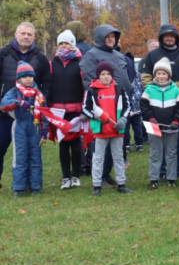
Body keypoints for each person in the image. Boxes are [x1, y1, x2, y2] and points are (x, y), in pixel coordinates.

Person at [140, 23, 179, 178]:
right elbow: (145, 78)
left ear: (176, 38)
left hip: (178, 105)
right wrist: (157, 91)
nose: (169, 38)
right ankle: (161, 171)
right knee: (158, 139)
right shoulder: (152, 55)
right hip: (157, 105)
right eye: (166, 36)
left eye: (172, 35)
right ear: (161, 38)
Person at [82, 61, 133, 195]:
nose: (105, 77)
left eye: (108, 74)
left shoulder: (118, 88)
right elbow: (85, 109)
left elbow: (127, 106)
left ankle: (121, 183)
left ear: (112, 75)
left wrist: (123, 119)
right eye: (103, 74)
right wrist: (95, 117)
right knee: (98, 158)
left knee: (118, 157)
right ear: (98, 76)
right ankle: (96, 185)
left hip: (117, 130)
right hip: (100, 131)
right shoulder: (92, 90)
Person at [0, 62, 46, 195]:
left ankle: (35, 186)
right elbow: (3, 104)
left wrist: (44, 131)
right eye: (25, 76)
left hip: (35, 127)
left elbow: (45, 113)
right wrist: (19, 103)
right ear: (19, 78)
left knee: (35, 156)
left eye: (30, 76)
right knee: (20, 156)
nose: (28, 79)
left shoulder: (39, 94)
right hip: (20, 126)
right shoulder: (14, 92)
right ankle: (19, 187)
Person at [140, 58, 179, 189]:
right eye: (158, 73)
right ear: (155, 75)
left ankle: (171, 178)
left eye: (164, 74)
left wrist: (176, 121)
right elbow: (144, 107)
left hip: (171, 126)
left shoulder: (175, 90)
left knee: (171, 153)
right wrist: (151, 119)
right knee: (155, 153)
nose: (161, 76)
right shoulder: (149, 89)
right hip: (153, 126)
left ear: (168, 75)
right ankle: (154, 179)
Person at [49, 30, 86, 189]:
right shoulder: (52, 63)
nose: (64, 46)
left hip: (75, 109)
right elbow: (48, 83)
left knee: (76, 144)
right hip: (57, 110)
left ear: (73, 45)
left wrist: (85, 106)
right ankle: (66, 177)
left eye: (67, 43)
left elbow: (85, 86)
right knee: (63, 143)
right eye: (61, 43)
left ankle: (76, 175)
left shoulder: (80, 62)